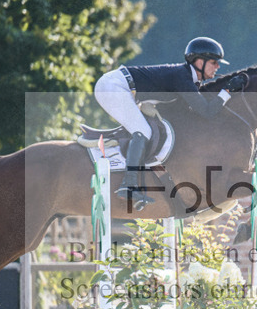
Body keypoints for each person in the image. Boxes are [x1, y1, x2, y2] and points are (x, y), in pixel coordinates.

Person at [92, 37, 247, 210]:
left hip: (123, 88)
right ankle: (128, 185)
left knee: (144, 129)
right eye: (213, 62)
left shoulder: (187, 78)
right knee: (143, 131)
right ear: (199, 62)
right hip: (114, 87)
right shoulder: (182, 77)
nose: (217, 67)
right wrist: (226, 91)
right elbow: (207, 111)